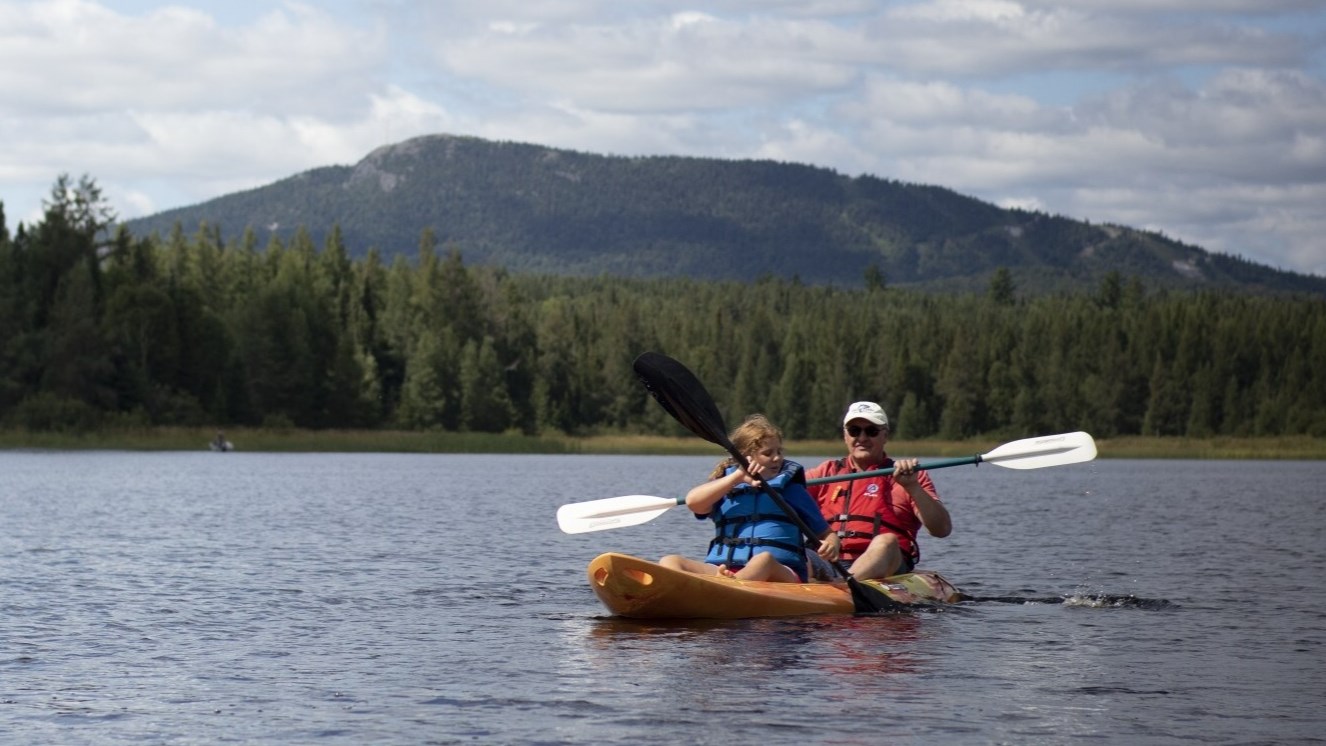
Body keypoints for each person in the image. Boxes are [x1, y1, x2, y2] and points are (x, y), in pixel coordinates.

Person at [660, 414, 840, 583]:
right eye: (768, 453)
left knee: (763, 560)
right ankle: (724, 585)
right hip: (725, 569)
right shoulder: (726, 487)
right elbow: (693, 503)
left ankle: (729, 587)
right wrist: (737, 477)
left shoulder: (791, 490)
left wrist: (831, 545)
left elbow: (827, 534)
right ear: (746, 456)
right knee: (670, 561)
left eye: (779, 451)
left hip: (781, 571)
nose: (777, 458)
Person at [806, 401, 951, 580]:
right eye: (854, 431)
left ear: (885, 435)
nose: (862, 438)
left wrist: (912, 487)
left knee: (886, 541)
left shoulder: (910, 476)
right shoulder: (826, 472)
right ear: (845, 436)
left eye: (871, 431)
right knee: (793, 549)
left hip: (885, 563)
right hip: (828, 560)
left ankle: (845, 586)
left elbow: (942, 529)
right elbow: (786, 495)